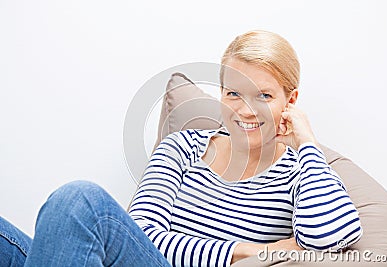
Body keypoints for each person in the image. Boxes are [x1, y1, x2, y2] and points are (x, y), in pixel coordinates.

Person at [0, 30, 362, 267]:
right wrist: (249, 251)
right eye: (233, 92)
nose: (245, 109)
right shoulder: (182, 148)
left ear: (291, 101)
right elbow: (142, 233)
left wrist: (307, 141)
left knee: (79, 202)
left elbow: (330, 238)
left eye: (264, 96)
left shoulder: (302, 172)